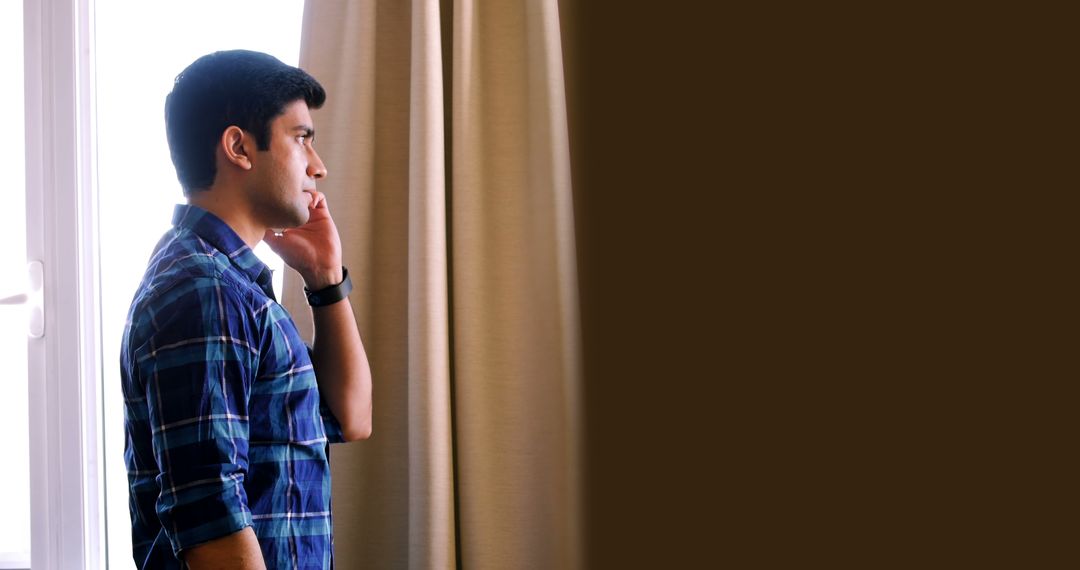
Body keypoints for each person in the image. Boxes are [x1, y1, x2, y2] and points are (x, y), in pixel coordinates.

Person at [120, 49, 372, 569]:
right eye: (301, 138)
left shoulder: (231, 286)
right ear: (238, 146)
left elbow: (350, 417)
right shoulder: (204, 291)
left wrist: (325, 279)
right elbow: (211, 520)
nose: (317, 167)